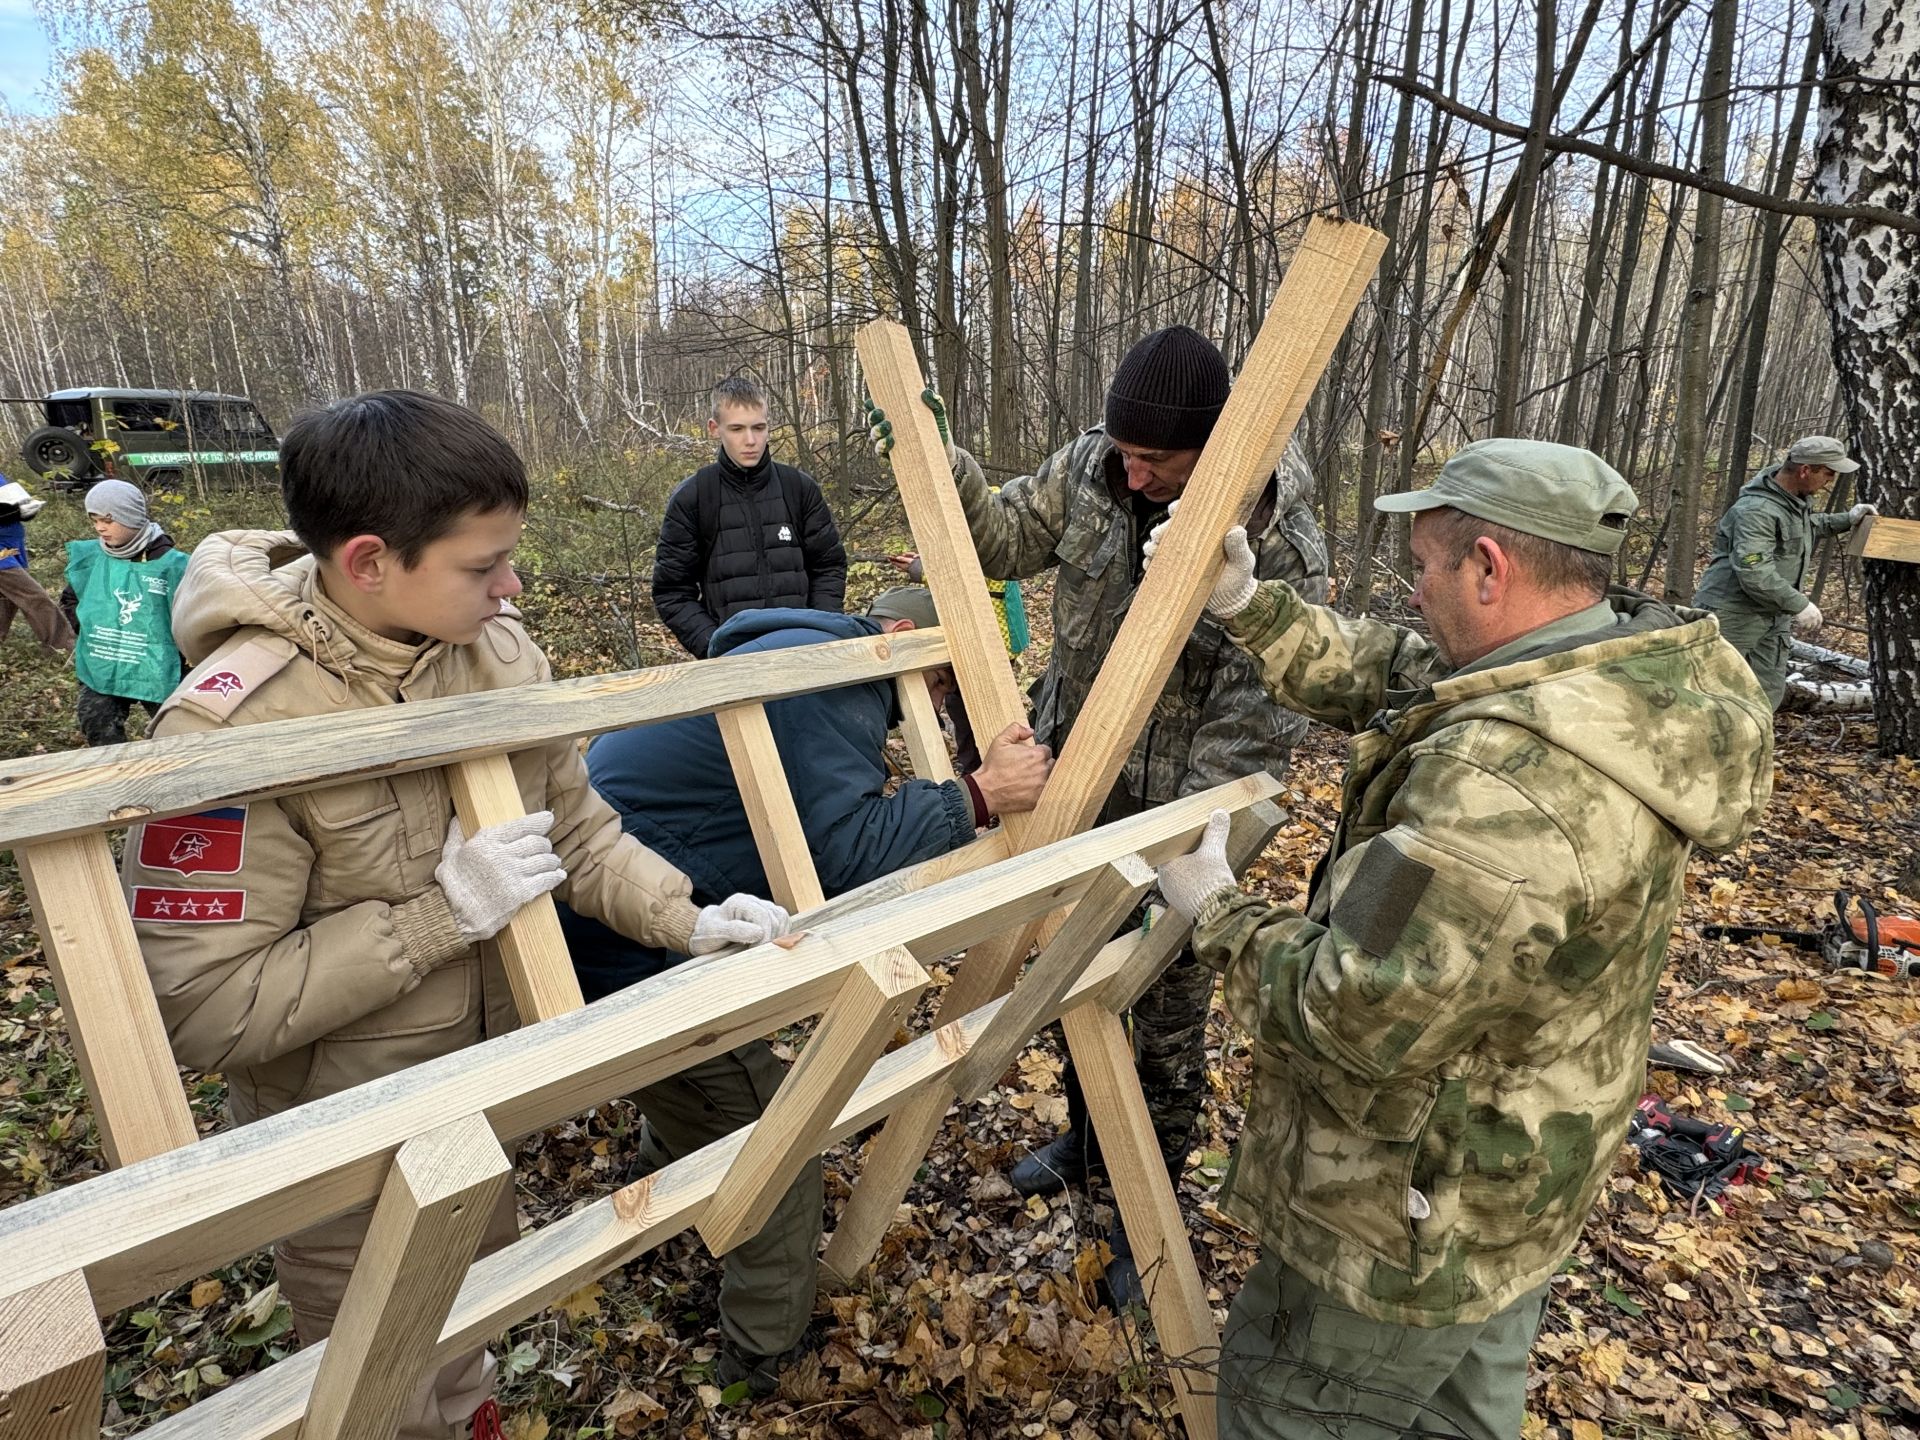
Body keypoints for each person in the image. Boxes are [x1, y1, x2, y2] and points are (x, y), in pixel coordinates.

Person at [121, 390, 791, 1440]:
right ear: (370, 562)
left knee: (469, 1354)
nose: (512, 585)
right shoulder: (225, 727)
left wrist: (690, 916)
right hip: (341, 1157)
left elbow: (578, 835)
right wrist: (443, 915)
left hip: (478, 1108)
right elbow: (204, 1007)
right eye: (483, 567)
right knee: (378, 1398)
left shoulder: (498, 653)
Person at [1152, 438, 1774, 1440]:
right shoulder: (1624, 680)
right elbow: (1403, 677)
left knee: (1291, 1406)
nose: (1418, 593)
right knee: (1462, 1405)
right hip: (1514, 1177)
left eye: (1428, 569)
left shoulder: (1499, 792)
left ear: (1490, 568)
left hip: (1406, 1210)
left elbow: (1355, 1007)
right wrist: (1247, 605)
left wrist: (1219, 914)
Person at [867, 325, 1331, 1302]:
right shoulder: (1091, 468)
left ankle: (1141, 1205)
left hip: (1180, 805)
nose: (1133, 472)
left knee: (1159, 1010)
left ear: (1215, 448)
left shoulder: (1278, 542)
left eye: (1156, 461)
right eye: (1126, 453)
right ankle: (1087, 1138)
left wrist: (1196, 851)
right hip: (1075, 779)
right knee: (1073, 969)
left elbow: (1253, 725)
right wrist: (938, 465)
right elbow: (998, 539)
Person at [559, 584, 1054, 1396]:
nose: (927, 711)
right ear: (897, 638)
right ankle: (762, 1363)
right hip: (626, 938)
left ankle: (661, 1200)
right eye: (937, 688)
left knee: (707, 1093)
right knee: (777, 1144)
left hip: (624, 916)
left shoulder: (794, 658)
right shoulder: (830, 683)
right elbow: (842, 861)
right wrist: (979, 796)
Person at [651, 377, 848, 658]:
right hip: (734, 664)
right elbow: (671, 590)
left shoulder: (798, 488)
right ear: (714, 429)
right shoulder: (693, 497)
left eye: (759, 427)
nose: (750, 440)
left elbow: (829, 566)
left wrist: (820, 630)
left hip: (806, 654)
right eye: (737, 429)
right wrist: (713, 646)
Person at [1692, 434, 1876, 708]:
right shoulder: (1756, 510)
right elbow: (1753, 569)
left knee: (1764, 694)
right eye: (1828, 473)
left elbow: (1807, 527)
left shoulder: (1791, 503)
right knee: (1706, 689)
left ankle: (1749, 747)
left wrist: (1847, 519)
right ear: (1805, 470)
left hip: (1772, 615)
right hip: (1733, 614)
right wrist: (1799, 604)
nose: (1830, 481)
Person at [58, 479, 189, 745]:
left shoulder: (173, 564)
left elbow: (195, 614)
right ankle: (117, 775)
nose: (99, 527)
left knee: (179, 728)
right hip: (105, 663)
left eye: (108, 519)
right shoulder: (92, 558)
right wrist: (92, 632)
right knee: (96, 720)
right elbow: (70, 600)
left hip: (159, 664)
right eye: (94, 520)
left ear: (130, 516)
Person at [0, 478, 75, 656]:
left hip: (11, 544)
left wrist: (24, 510)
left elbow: (11, 498)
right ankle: (64, 646)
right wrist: (12, 512)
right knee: (34, 596)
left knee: (6, 598)